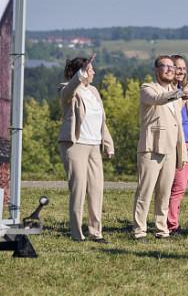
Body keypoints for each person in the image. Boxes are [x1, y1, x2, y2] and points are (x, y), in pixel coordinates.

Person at [132, 55, 188, 239]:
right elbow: (157, 99)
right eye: (164, 66)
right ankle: (139, 230)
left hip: (171, 149)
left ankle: (161, 228)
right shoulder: (147, 88)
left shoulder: (175, 92)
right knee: (145, 190)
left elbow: (179, 124)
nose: (169, 69)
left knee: (165, 192)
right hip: (151, 147)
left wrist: (181, 152)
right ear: (156, 69)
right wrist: (179, 94)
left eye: (171, 67)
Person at [58, 55, 115, 242]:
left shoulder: (94, 91)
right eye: (90, 70)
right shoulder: (67, 89)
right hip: (75, 144)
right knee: (79, 188)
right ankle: (76, 233)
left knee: (97, 188)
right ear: (81, 73)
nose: (94, 73)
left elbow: (101, 120)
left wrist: (107, 144)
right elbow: (69, 92)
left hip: (94, 145)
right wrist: (78, 77)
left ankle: (95, 232)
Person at [167, 55, 188, 235]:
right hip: (175, 141)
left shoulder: (180, 89)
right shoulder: (167, 91)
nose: (181, 71)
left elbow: (187, 115)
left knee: (178, 184)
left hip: (186, 139)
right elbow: (172, 113)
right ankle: (171, 224)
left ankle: (170, 220)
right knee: (177, 185)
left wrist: (185, 96)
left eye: (184, 68)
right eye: (178, 67)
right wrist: (182, 97)